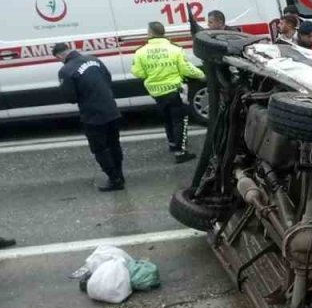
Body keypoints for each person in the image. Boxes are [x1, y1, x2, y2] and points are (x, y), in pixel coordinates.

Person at [55, 43, 125, 191]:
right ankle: (120, 174)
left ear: (60, 56)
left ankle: (114, 179)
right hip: (110, 107)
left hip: (92, 114)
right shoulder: (95, 60)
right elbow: (108, 78)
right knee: (114, 144)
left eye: (58, 59)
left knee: (99, 148)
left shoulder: (66, 71)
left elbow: (70, 97)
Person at [131, 22, 203, 163]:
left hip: (156, 92)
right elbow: (186, 69)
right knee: (180, 120)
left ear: (150, 33)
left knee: (167, 119)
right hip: (174, 90)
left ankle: (172, 144)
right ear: (163, 32)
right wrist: (201, 75)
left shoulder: (140, 52)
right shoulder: (174, 49)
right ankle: (180, 152)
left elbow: (137, 72)